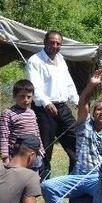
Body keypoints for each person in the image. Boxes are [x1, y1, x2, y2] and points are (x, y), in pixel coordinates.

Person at [41, 70, 102, 203]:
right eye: (99, 109)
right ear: (93, 113)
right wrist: (91, 85)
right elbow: (83, 101)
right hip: (77, 177)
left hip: (96, 179)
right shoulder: (85, 125)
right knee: (47, 186)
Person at [26, 30, 79, 177]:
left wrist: (76, 100)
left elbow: (68, 83)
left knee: (76, 142)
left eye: (58, 43)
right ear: (45, 42)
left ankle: (74, 180)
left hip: (62, 108)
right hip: (44, 110)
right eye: (52, 42)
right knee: (45, 148)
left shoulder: (61, 59)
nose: (54, 46)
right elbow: (34, 86)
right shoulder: (35, 61)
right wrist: (46, 102)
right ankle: (43, 182)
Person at [0, 79, 44, 165]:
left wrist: (40, 149)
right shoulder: (8, 113)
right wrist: (5, 157)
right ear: (15, 96)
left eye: (29, 97)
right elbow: (3, 137)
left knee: (33, 177)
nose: (26, 100)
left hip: (33, 155)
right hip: (17, 156)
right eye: (22, 96)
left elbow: (37, 133)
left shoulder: (32, 113)